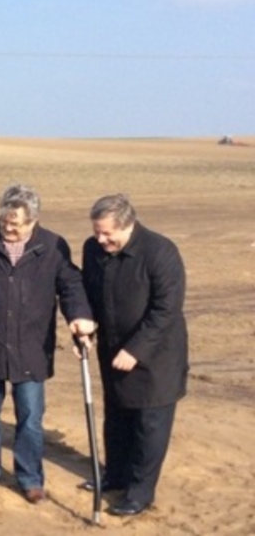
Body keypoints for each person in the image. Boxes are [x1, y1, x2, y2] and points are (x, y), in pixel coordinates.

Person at [0, 183, 94, 503]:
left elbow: (71, 286)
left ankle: (30, 478)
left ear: (33, 221)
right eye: (4, 221)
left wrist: (80, 317)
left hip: (32, 347)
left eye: (16, 223)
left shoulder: (54, 246)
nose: (8, 228)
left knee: (30, 418)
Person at [80, 193, 189, 516]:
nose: (100, 239)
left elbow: (166, 310)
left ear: (127, 225)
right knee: (116, 419)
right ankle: (116, 474)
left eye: (107, 233)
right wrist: (83, 329)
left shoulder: (160, 252)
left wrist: (136, 350)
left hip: (156, 359)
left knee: (148, 425)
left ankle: (140, 493)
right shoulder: (92, 249)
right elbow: (88, 294)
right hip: (112, 351)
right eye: (97, 232)